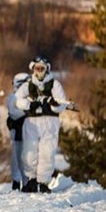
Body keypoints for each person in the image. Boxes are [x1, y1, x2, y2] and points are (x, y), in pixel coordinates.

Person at [15, 57, 70, 193]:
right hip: (32, 121)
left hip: (49, 122)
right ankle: (31, 180)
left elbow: (62, 102)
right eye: (37, 68)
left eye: (42, 68)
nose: (39, 71)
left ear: (47, 69)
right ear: (33, 69)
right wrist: (28, 104)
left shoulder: (54, 84)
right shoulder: (28, 85)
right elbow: (17, 99)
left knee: (47, 152)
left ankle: (43, 182)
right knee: (29, 151)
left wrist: (53, 104)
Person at [7, 73, 30, 190]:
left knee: (28, 157)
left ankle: (27, 182)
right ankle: (17, 181)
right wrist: (28, 112)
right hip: (17, 131)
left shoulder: (28, 98)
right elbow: (13, 114)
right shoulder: (13, 97)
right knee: (17, 157)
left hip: (28, 131)